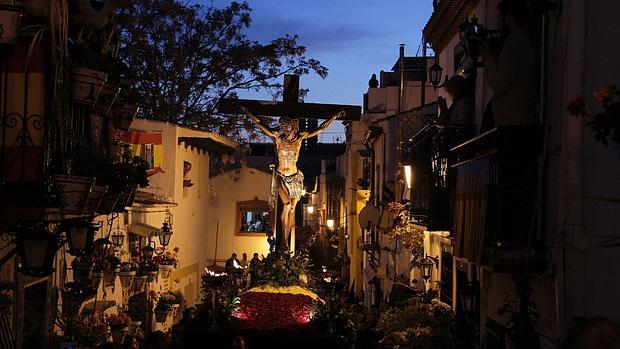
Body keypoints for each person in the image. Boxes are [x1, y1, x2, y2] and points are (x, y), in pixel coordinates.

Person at [243, 107, 344, 252]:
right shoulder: (277, 137)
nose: (285, 130)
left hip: (295, 177)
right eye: (283, 127)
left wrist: (334, 116)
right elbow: (260, 123)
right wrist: (248, 112)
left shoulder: (300, 138)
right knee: (287, 205)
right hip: (280, 177)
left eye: (288, 127)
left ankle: (287, 239)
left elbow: (321, 128)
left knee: (292, 209)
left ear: (294, 127)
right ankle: (283, 238)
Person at [480, 0, 538, 126]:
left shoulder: (515, 45)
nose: (499, 22)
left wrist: (489, 61)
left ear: (509, 18)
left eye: (500, 17)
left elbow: (499, 85)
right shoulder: (521, 42)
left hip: (513, 124)